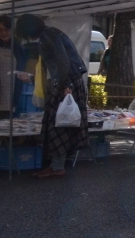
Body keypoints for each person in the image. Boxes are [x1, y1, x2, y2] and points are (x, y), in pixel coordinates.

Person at [14, 14, 88, 178]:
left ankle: (57, 167)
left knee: (59, 126)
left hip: (65, 84)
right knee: (61, 124)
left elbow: (62, 62)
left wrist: (66, 85)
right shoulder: (52, 33)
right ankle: (56, 165)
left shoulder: (48, 36)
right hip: (68, 82)